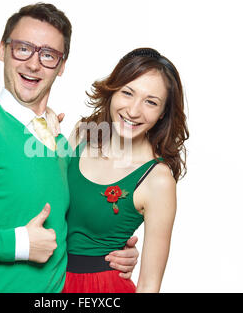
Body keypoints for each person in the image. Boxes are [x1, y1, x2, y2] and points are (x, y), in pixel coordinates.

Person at [0, 2, 138, 293]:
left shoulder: (59, 144)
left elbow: (60, 232)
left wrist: (111, 252)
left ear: (61, 67)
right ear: (2, 50)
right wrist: (19, 244)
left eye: (48, 55)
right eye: (23, 48)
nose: (33, 64)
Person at [60, 47, 189, 293]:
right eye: (127, 93)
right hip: (46, 280)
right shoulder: (82, 133)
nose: (133, 111)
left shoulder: (157, 180)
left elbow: (149, 285)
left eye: (151, 102)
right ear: (113, 90)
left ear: (163, 114)